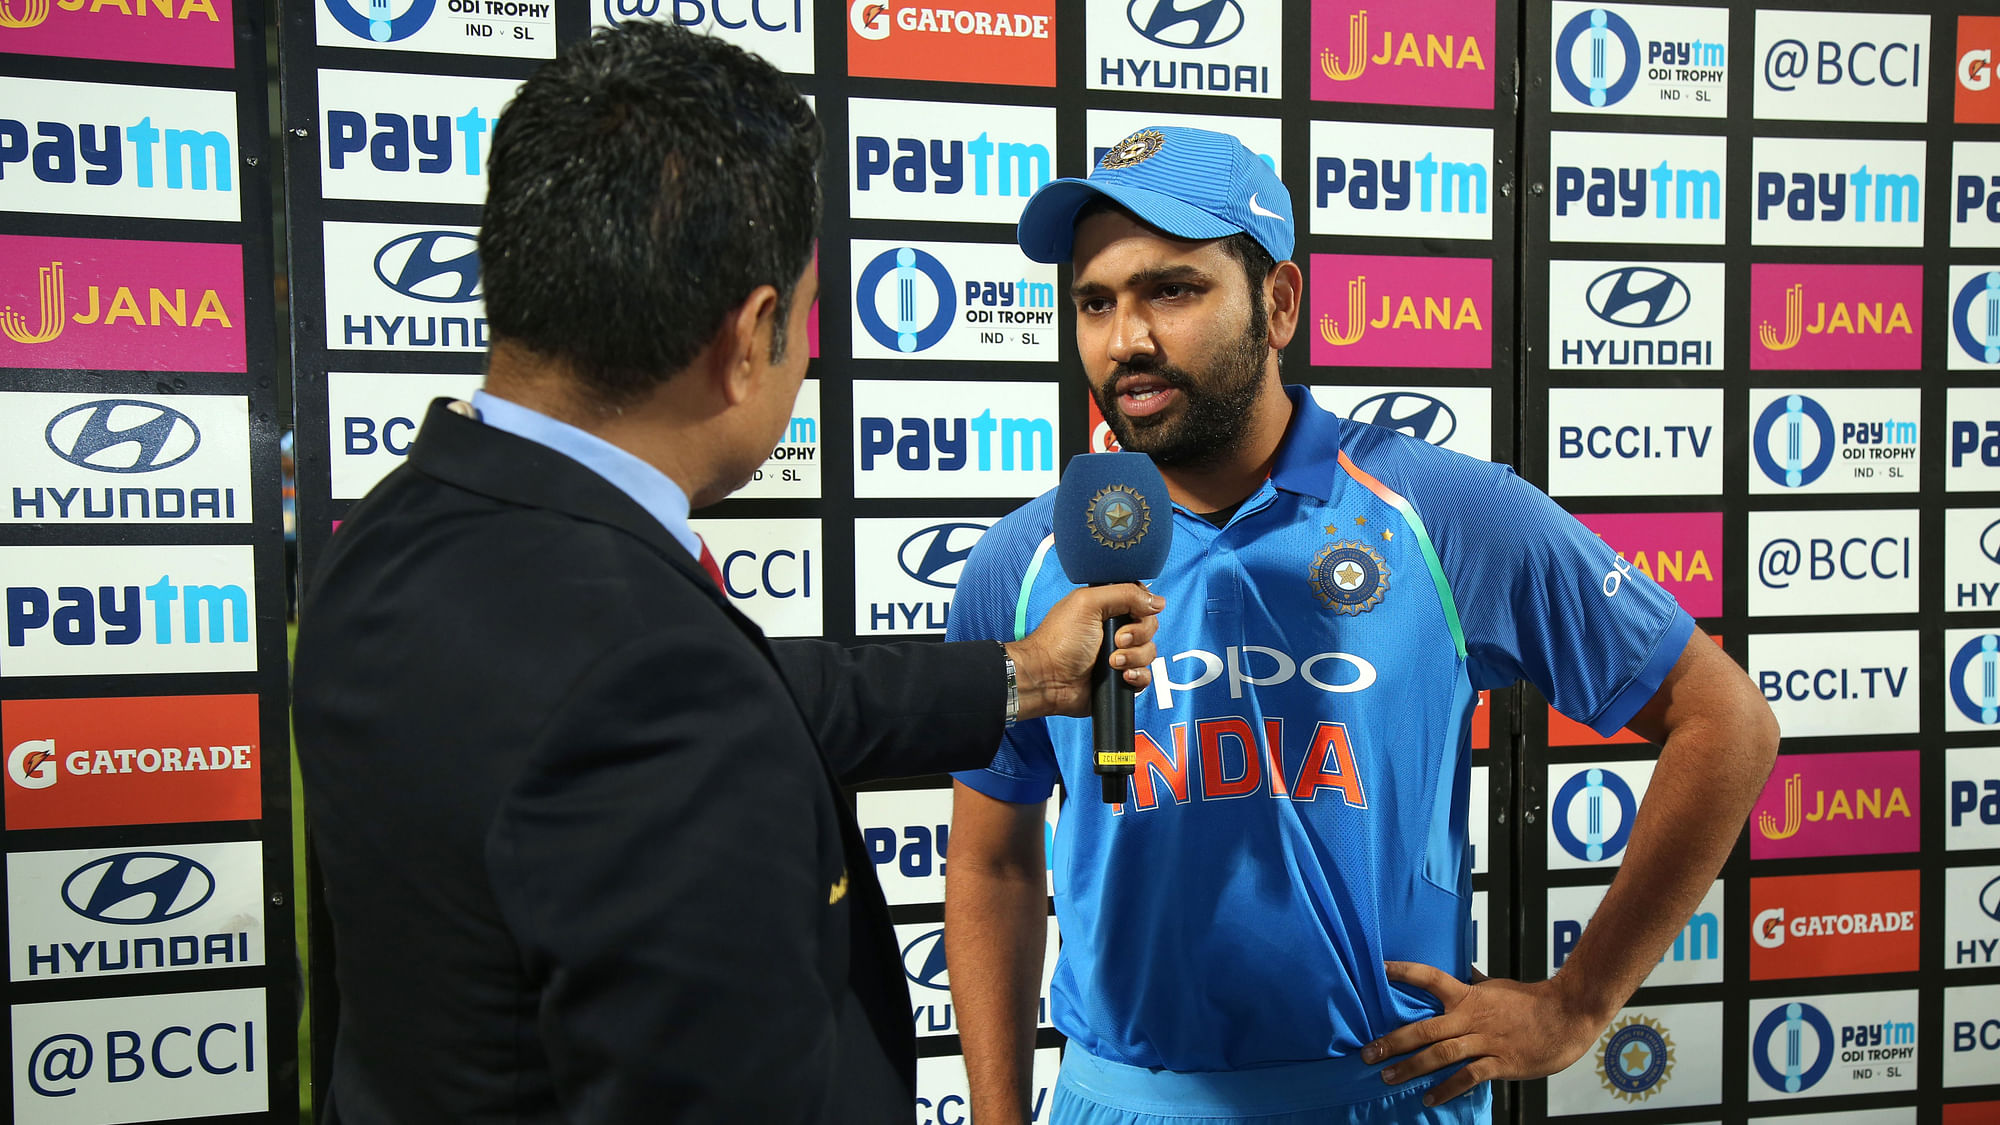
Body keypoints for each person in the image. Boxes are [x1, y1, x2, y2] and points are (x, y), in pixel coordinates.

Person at [289, 25, 1162, 1124]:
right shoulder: (646, 677)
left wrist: (1020, 679)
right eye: (804, 324)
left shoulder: (401, 530)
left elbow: (702, 698)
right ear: (750, 335)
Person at [942, 125, 1779, 1125]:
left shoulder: (1446, 512)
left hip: (1377, 1100)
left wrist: (1575, 1004)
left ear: (1279, 302)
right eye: (1094, 302)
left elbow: (1723, 720)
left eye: (1171, 290)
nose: (1126, 340)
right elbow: (990, 860)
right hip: (1112, 1100)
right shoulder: (1025, 560)